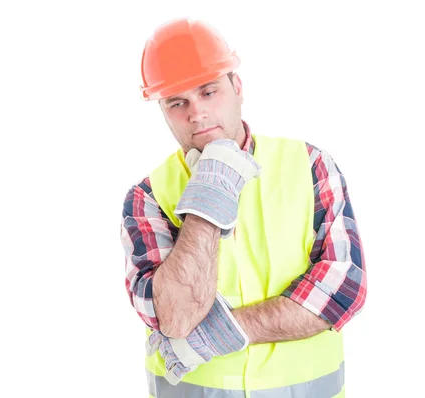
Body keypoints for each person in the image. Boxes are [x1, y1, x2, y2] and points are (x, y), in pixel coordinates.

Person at [119, 17, 367, 398]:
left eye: (208, 91)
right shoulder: (148, 196)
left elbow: (343, 288)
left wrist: (221, 333)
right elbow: (177, 317)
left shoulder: (310, 164)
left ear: (237, 86)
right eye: (177, 102)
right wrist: (206, 197)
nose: (196, 114)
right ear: (163, 110)